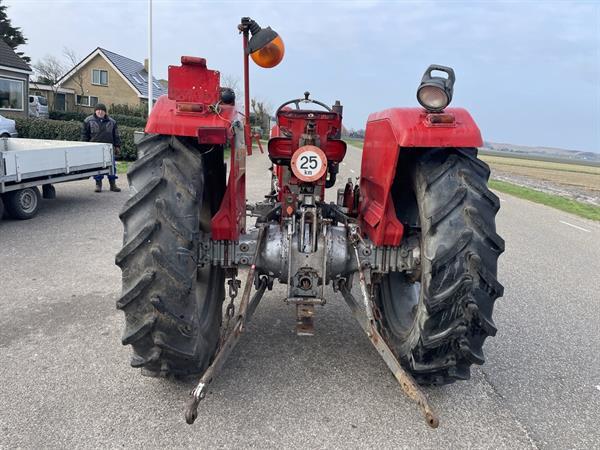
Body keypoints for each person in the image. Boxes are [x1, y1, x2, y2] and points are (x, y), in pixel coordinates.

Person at [81, 103, 122, 192]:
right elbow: (85, 135)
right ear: (95, 111)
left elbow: (116, 135)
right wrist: (84, 146)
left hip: (109, 148)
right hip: (95, 148)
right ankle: (98, 184)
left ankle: (113, 184)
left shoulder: (112, 122)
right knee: (98, 168)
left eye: (102, 110)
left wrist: (117, 146)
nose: (100, 112)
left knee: (112, 167)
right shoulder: (88, 121)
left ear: (105, 112)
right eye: (98, 110)